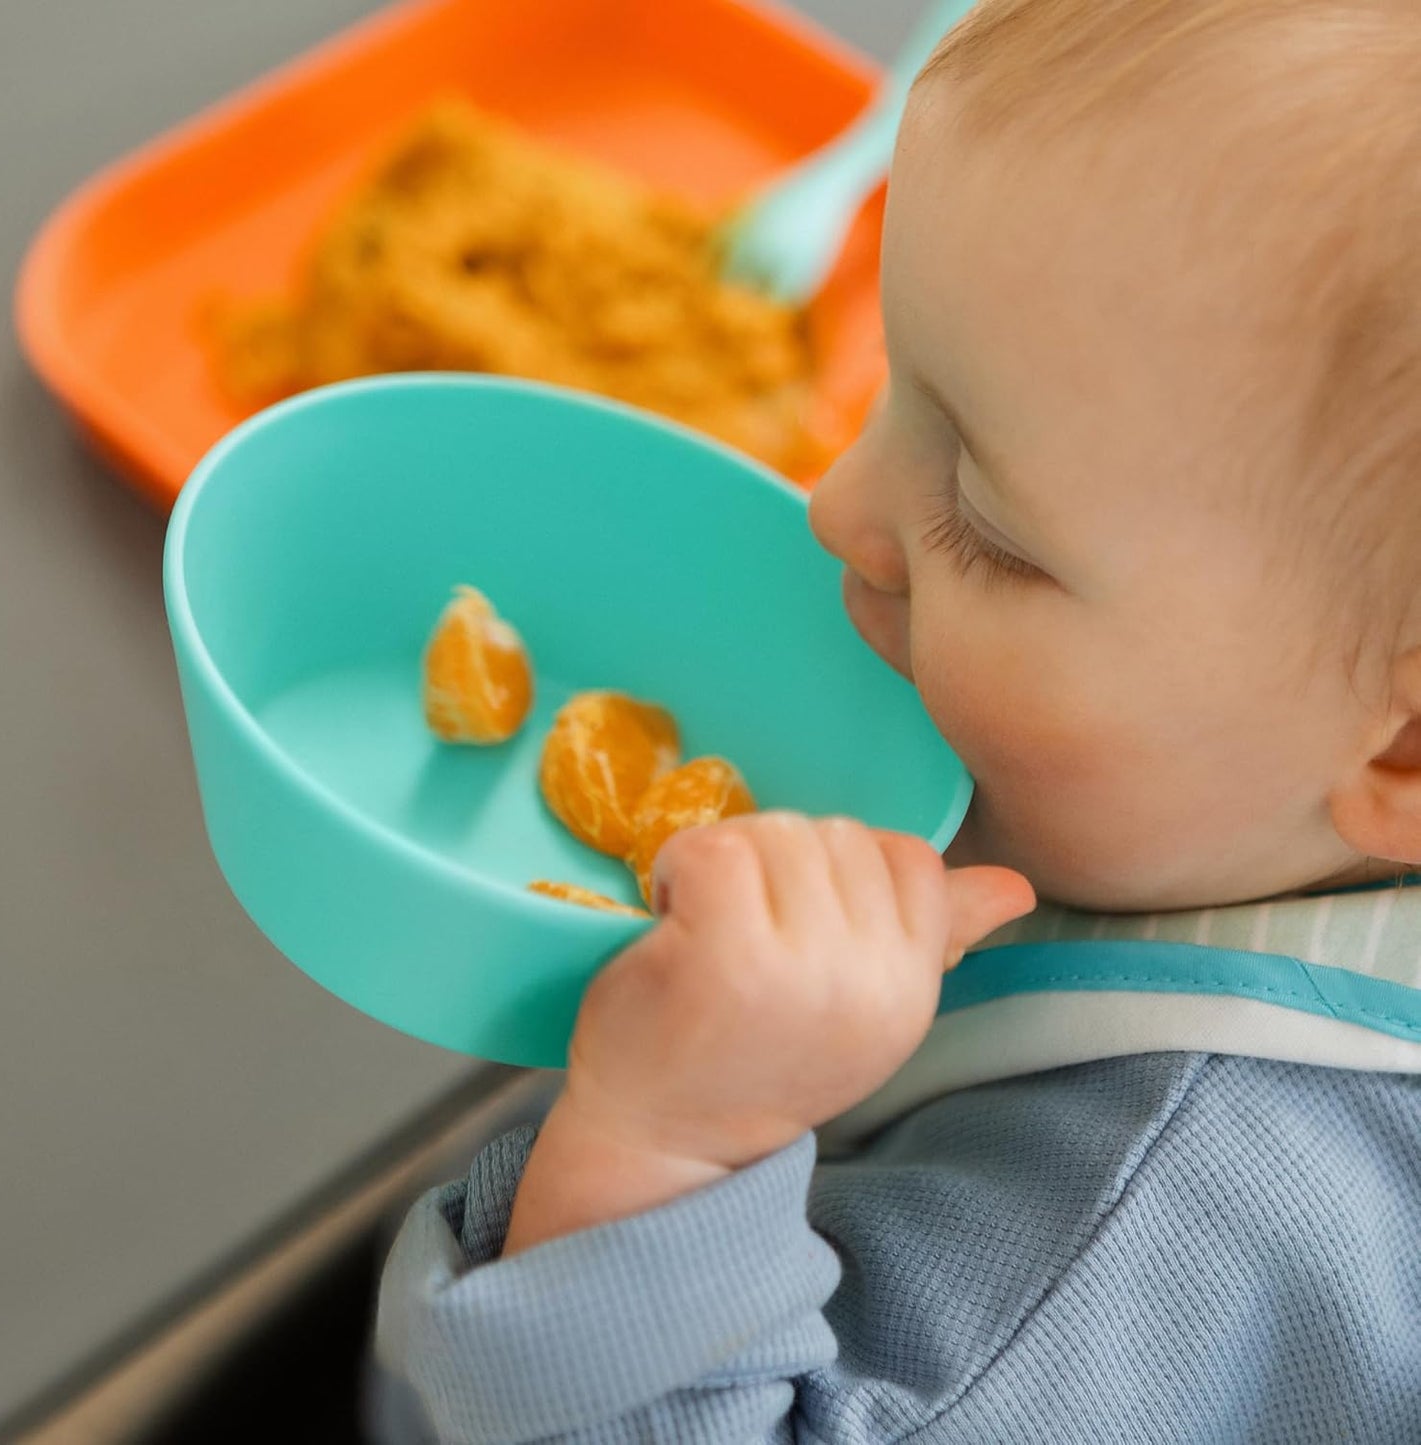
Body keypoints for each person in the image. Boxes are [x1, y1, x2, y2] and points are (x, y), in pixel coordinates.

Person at [370, 1, 1421, 1438]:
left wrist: (665, 1158)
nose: (838, 505)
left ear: (1400, 746)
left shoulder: (1137, 1223)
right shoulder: (1225, 783)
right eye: (892, 385)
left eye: (985, 523)